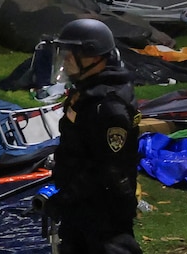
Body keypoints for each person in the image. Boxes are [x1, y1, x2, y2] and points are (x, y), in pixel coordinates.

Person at [50, 18, 143, 253]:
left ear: (94, 56)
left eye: (72, 53)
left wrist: (67, 196)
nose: (66, 59)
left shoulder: (109, 107)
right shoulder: (87, 91)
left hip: (103, 210)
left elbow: (107, 168)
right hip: (80, 204)